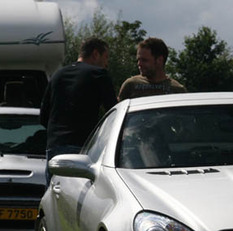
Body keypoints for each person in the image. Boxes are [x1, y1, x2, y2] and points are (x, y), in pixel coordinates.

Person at [40, 37, 117, 178]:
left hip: (55, 147)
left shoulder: (58, 75)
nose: (106, 63)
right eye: (106, 57)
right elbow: (113, 113)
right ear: (95, 54)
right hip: (82, 147)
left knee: (54, 193)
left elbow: (44, 116)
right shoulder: (98, 74)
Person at [118, 37, 186, 100]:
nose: (139, 64)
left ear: (159, 60)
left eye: (144, 60)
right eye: (138, 60)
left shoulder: (177, 90)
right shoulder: (131, 85)